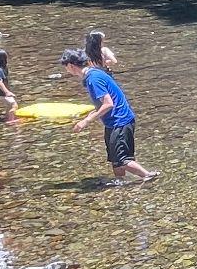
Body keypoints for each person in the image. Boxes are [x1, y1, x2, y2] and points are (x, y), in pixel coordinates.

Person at [63, 48, 156, 184]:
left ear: (71, 66)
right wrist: (93, 113)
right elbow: (103, 103)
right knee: (115, 159)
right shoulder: (94, 74)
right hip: (115, 122)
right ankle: (121, 183)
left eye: (66, 68)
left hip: (120, 121)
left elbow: (108, 104)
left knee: (122, 159)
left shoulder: (93, 79)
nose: (67, 71)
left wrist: (87, 121)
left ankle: (148, 176)